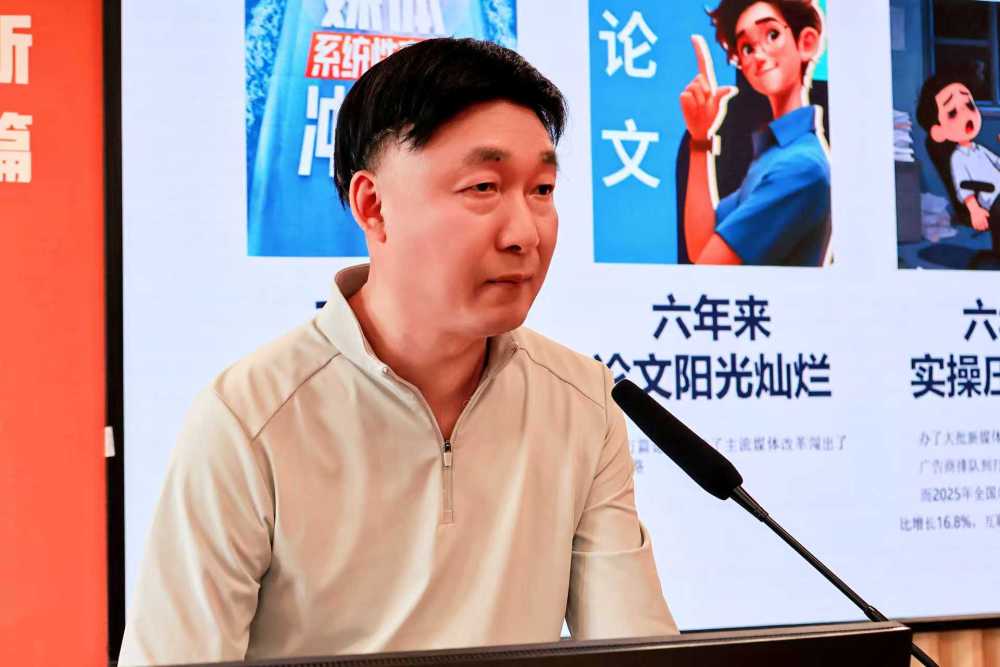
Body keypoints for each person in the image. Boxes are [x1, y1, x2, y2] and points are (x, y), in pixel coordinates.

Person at [118, 38, 677, 665]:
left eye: (542, 189)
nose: (525, 233)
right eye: (484, 186)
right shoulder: (248, 420)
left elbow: (636, 648)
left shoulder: (584, 403)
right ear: (373, 205)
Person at [680, 0, 830, 266]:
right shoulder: (774, 154)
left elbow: (708, 268)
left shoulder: (800, 165)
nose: (758, 56)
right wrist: (700, 139)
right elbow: (701, 247)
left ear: (806, 42)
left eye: (772, 35)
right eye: (747, 48)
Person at [917, 69, 1000, 256]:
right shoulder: (958, 158)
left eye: (969, 105)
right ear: (939, 132)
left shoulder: (979, 149)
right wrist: (975, 210)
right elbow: (964, 187)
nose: (966, 114)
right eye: (953, 112)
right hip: (991, 198)